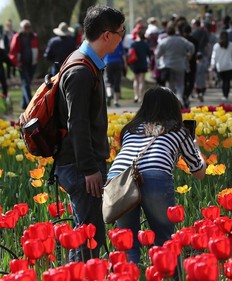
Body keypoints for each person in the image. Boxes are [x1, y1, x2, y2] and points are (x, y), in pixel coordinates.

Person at [54, 6, 125, 262]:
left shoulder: (86, 62)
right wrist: (89, 169)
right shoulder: (81, 71)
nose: (122, 36)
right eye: (121, 32)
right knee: (88, 238)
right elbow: (77, 124)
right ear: (107, 35)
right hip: (80, 166)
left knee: (88, 233)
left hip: (82, 164)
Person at [107, 86, 206, 264]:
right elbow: (199, 172)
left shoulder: (130, 129)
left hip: (118, 179)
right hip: (155, 176)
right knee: (164, 241)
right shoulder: (179, 130)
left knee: (127, 243)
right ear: (173, 107)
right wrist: (196, 147)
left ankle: (128, 275)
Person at [155, 22, 194, 105]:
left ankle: (171, 101)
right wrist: (189, 55)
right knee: (180, 83)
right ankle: (180, 98)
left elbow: (157, 54)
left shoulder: (164, 42)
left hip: (168, 65)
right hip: (180, 65)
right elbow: (191, 46)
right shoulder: (182, 40)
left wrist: (160, 61)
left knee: (170, 84)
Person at [8, 19, 39, 109]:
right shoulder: (17, 37)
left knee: (27, 83)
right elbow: (12, 52)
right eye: (25, 27)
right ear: (21, 28)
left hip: (32, 64)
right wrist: (16, 63)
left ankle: (23, 104)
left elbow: (36, 49)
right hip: (22, 64)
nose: (27, 29)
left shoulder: (34, 36)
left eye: (28, 27)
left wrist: (36, 60)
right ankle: (31, 105)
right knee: (25, 83)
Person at [210, 31, 232, 101]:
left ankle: (224, 95)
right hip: (229, 66)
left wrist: (212, 65)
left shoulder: (216, 46)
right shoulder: (231, 45)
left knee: (223, 81)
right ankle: (226, 94)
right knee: (227, 81)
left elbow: (214, 57)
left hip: (221, 67)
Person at [128, 29, 152, 104]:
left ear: (137, 35)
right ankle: (141, 97)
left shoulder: (133, 44)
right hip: (143, 64)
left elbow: (130, 53)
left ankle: (136, 95)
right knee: (141, 81)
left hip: (135, 64)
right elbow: (150, 54)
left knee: (136, 80)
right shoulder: (145, 44)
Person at [103, 41, 127, 107]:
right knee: (117, 82)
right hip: (118, 62)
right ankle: (116, 101)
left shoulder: (106, 42)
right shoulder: (118, 41)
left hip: (107, 62)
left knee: (108, 81)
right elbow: (123, 54)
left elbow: (102, 53)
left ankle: (109, 95)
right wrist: (125, 64)